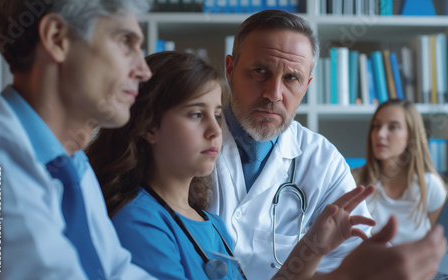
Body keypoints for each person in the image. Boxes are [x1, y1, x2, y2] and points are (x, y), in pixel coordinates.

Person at [86, 51, 377, 280]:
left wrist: (313, 247)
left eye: (216, 114)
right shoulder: (138, 222)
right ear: (149, 126)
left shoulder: (211, 224)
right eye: (196, 115)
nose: (215, 131)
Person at [210, 9, 447, 279]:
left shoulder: (323, 162)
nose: (273, 94)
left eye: (291, 78)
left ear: (307, 85)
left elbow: (353, 260)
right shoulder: (187, 146)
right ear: (230, 70)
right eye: (260, 71)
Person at [0, 0, 156, 279]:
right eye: (126, 41)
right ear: (57, 39)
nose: (144, 70)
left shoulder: (72, 164)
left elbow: (113, 269)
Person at [352, 99, 448, 244]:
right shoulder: (353, 180)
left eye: (393, 127)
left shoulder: (430, 185)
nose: (380, 134)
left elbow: (446, 246)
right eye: (376, 126)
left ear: (411, 135)